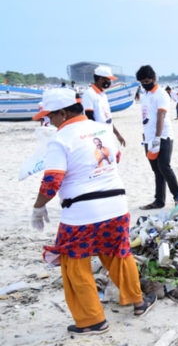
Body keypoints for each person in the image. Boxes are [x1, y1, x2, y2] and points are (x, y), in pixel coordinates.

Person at [30, 88, 156, 335]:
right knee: (119, 254)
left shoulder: (60, 139)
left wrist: (38, 207)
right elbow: (115, 158)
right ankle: (138, 302)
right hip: (116, 206)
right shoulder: (103, 128)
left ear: (63, 113)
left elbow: (52, 181)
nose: (48, 121)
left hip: (81, 214)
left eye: (50, 116)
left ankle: (91, 321)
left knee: (75, 265)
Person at [136, 65, 178, 209]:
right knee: (156, 169)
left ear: (154, 79)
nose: (145, 84)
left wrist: (157, 137)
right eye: (142, 82)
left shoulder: (161, 94)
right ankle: (159, 201)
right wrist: (147, 137)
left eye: (147, 81)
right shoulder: (145, 94)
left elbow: (161, 115)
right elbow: (146, 116)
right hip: (148, 138)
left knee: (164, 167)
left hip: (163, 136)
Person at [81, 65, 126, 146]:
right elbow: (89, 118)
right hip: (99, 138)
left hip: (108, 136)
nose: (109, 82)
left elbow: (108, 118)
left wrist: (117, 135)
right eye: (108, 79)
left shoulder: (103, 94)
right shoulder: (89, 94)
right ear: (101, 79)